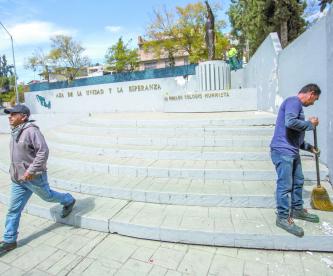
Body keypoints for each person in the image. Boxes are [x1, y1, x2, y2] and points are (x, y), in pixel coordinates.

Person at [0, 104, 76, 254]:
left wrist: (31, 170)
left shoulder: (31, 131)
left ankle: (68, 199)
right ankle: (9, 240)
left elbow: (43, 152)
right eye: (9, 114)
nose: (10, 116)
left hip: (33, 177)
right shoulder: (16, 131)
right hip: (18, 179)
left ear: (24, 117)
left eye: (14, 114)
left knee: (48, 197)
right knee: (13, 209)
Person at [270, 84, 321, 237]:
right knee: (285, 186)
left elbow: (295, 136)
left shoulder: (297, 106)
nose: (313, 103)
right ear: (311, 93)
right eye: (315, 99)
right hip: (282, 151)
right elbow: (290, 122)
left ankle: (297, 209)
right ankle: (283, 218)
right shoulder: (293, 101)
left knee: (298, 181)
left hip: (292, 151)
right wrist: (310, 125)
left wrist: (309, 147)